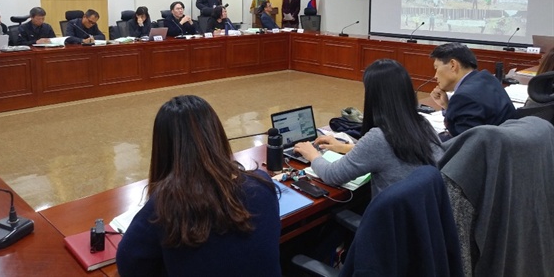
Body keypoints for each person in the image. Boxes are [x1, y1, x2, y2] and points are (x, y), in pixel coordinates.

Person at [115, 95, 281, 277]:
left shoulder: (164, 206)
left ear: (163, 149)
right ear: (217, 135)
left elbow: (128, 265)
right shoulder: (262, 183)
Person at [294, 59, 443, 198]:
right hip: (421, 216)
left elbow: (332, 175)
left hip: (388, 222)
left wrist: (312, 154)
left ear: (375, 96)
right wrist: (342, 147)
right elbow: (390, 152)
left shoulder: (379, 137)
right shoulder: (422, 124)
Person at [429, 42, 515, 138]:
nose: (435, 76)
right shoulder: (486, 78)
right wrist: (446, 106)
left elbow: (463, 143)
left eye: (436, 68)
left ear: (453, 65)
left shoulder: (464, 96)